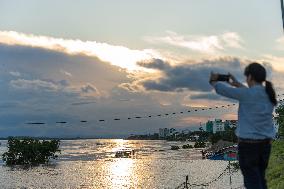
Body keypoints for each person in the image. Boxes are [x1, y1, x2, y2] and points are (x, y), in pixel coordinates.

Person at [209, 62, 277, 189]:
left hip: (248, 146)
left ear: (250, 77)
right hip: (265, 146)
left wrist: (213, 81)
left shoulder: (246, 94)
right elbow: (250, 93)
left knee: (252, 182)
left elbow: (222, 89)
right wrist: (237, 84)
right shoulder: (269, 94)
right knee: (260, 179)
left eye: (247, 77)